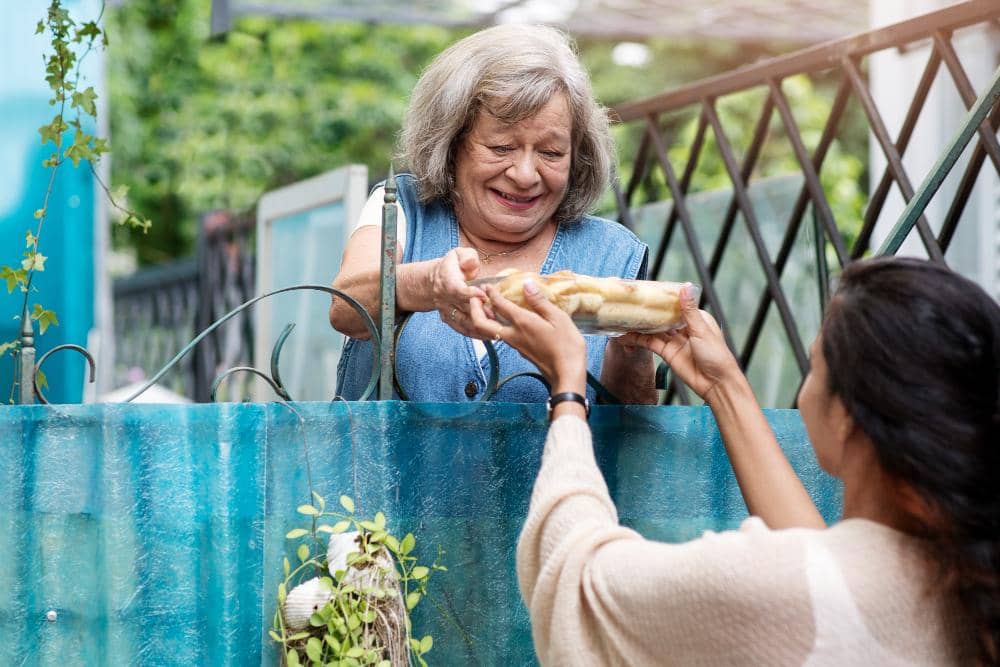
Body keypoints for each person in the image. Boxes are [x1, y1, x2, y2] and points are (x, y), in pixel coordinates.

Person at [468, 256, 999, 665]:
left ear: (851, 418)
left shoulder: (770, 584)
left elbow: (580, 582)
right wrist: (723, 387)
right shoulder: (965, 581)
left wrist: (568, 388)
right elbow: (821, 568)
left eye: (814, 365)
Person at [329, 24, 655, 404]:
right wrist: (430, 283)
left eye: (551, 153)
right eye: (501, 147)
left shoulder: (613, 253)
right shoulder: (402, 206)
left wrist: (634, 356)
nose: (525, 175)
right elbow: (345, 307)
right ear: (451, 144)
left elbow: (631, 431)